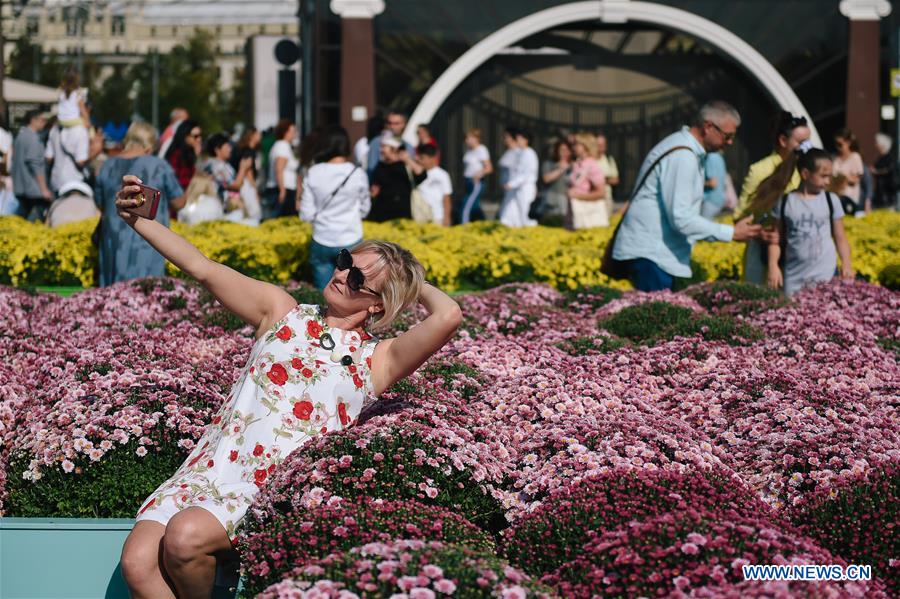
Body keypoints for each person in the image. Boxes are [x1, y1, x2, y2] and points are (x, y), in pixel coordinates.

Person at [116, 172, 462, 599]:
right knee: (136, 562)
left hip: (271, 484)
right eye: (345, 262)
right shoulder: (282, 312)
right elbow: (203, 269)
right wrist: (140, 221)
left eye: (359, 280)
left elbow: (448, 317)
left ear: (378, 303)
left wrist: (404, 277)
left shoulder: (380, 358)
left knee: (185, 539)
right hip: (212, 465)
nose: (343, 276)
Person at [611, 101, 762, 291]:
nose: (730, 142)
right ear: (708, 126)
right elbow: (681, 218)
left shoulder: (685, 148)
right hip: (653, 256)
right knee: (657, 318)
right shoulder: (683, 156)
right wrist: (731, 233)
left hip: (655, 254)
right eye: (728, 136)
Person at [95, 122, 185, 286]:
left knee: (112, 297)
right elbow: (179, 202)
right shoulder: (159, 166)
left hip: (113, 240)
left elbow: (99, 202)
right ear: (150, 145)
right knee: (148, 295)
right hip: (148, 239)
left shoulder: (106, 166)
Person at [767, 146, 853, 297]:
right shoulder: (786, 202)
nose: (828, 181)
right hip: (794, 277)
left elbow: (840, 237)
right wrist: (773, 266)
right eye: (823, 176)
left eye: (829, 176)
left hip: (826, 275)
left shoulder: (831, 200)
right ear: (806, 174)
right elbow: (775, 239)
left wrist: (846, 263)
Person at [737, 111, 811, 285]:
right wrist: (760, 233)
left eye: (809, 141)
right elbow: (741, 217)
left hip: (800, 254)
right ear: (783, 141)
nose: (808, 147)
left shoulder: (809, 171)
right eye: (802, 142)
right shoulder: (759, 171)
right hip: (762, 257)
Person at [300, 125, 371, 289]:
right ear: (346, 146)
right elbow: (365, 208)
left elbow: (306, 214)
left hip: (322, 237)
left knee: (324, 292)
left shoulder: (313, 172)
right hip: (351, 236)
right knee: (351, 291)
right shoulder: (357, 173)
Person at [368, 134, 426, 222]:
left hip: (403, 215)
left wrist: (408, 160)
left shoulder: (405, 165)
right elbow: (376, 186)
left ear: (393, 148)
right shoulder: (380, 166)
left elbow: (422, 175)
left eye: (384, 147)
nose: (381, 150)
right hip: (382, 215)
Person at [11, 109, 53, 222]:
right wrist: (44, 189)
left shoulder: (20, 136)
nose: (44, 123)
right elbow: (35, 164)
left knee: (21, 219)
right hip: (33, 189)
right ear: (33, 120)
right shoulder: (33, 138)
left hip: (20, 187)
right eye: (42, 120)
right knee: (36, 221)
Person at [567, 132, 607, 229]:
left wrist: (578, 196)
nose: (573, 147)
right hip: (574, 213)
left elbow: (601, 192)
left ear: (586, 146)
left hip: (586, 216)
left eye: (577, 144)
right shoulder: (578, 164)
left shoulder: (592, 165)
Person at [202, 133, 253, 209]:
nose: (230, 149)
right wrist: (243, 168)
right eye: (227, 146)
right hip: (221, 207)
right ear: (217, 150)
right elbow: (235, 186)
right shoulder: (216, 166)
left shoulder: (223, 164)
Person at [499, 129, 539, 227]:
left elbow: (526, 174)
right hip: (518, 188)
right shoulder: (521, 153)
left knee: (525, 213)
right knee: (512, 212)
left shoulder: (529, 153)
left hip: (526, 187)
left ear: (527, 140)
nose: (518, 141)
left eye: (521, 139)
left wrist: (512, 184)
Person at [265, 119, 300, 219]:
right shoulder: (282, 146)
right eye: (292, 131)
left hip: (284, 189)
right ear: (285, 132)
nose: (294, 134)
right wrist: (282, 190)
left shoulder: (284, 146)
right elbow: (279, 169)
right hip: (283, 190)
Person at [459, 128, 493, 224]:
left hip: (476, 182)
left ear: (476, 138)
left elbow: (489, 168)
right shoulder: (469, 150)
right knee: (475, 206)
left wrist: (478, 175)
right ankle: (483, 223)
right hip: (468, 181)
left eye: (468, 138)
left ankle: (463, 225)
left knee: (466, 205)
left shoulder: (481, 150)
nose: (466, 141)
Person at [366, 111, 414, 179]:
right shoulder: (377, 142)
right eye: (389, 123)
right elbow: (371, 169)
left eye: (396, 123)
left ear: (404, 124)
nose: (392, 126)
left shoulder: (408, 146)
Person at [415, 143, 452, 226]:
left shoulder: (442, 174)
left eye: (423, 158)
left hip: (437, 217)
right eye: (419, 158)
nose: (420, 161)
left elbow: (446, 198)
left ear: (432, 158)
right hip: (420, 217)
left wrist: (447, 217)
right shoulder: (416, 174)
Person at [540, 139, 573, 223]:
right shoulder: (549, 164)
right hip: (553, 202)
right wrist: (562, 169)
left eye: (567, 150)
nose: (564, 153)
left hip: (569, 202)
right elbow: (546, 179)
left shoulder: (574, 165)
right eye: (561, 150)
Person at [832, 128, 864, 214]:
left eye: (840, 144)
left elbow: (856, 180)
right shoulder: (836, 159)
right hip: (837, 196)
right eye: (836, 144)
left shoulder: (855, 157)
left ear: (848, 143)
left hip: (849, 199)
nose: (838, 147)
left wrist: (842, 177)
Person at [164, 120, 202, 192]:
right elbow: (182, 181)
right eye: (195, 136)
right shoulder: (176, 155)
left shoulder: (189, 153)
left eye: (200, 135)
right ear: (185, 136)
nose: (199, 139)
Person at [595, 133, 619, 216]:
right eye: (599, 145)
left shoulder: (609, 159)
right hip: (591, 198)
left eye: (603, 144)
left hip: (606, 197)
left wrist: (599, 179)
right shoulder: (589, 159)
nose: (601, 147)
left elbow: (615, 180)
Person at [872, 133, 898, 209]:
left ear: (882, 145)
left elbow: (889, 170)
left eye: (877, 143)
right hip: (880, 193)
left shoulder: (890, 158)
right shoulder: (880, 158)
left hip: (888, 193)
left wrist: (876, 172)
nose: (875, 145)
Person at [701, 150, 727, 219]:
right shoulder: (719, 157)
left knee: (703, 228)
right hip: (720, 200)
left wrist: (696, 183)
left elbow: (713, 183)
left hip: (711, 200)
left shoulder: (711, 157)